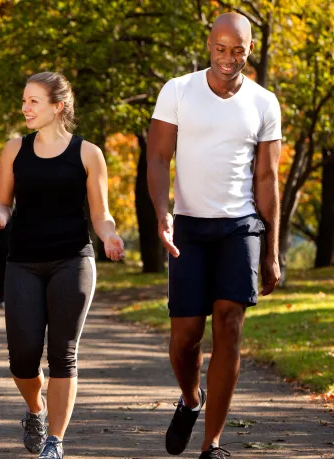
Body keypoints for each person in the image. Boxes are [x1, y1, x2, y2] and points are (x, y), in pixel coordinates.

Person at [147, 13, 281, 459]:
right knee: (186, 336)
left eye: (238, 49)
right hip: (187, 224)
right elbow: (158, 159)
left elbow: (267, 181)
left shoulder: (264, 102)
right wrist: (163, 214)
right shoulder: (178, 91)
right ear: (209, 45)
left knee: (229, 325)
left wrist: (272, 252)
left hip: (239, 227)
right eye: (221, 48)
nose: (229, 58)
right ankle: (190, 398)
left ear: (249, 50)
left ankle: (213, 445)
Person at [0, 72, 125, 459]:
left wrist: (109, 235)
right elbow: (2, 201)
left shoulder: (88, 153)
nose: (25, 107)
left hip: (73, 260)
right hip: (23, 262)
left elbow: (101, 213)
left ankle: (55, 441)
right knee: (23, 358)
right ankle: (35, 410)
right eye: (24, 100)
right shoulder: (14, 149)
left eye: (33, 101)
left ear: (57, 107)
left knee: (63, 353)